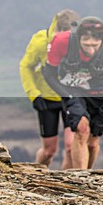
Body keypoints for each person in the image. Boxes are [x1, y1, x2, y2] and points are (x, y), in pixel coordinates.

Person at [42, 16, 103, 170]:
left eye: (95, 45)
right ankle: (81, 178)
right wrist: (68, 97)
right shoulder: (61, 41)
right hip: (73, 89)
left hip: (100, 92)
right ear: (78, 37)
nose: (91, 49)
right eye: (86, 44)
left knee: (93, 143)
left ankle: (86, 173)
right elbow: (49, 74)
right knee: (81, 129)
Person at [19, 9, 80, 168]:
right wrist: (34, 95)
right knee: (49, 151)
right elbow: (26, 66)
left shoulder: (80, 40)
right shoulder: (40, 41)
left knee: (71, 146)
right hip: (46, 99)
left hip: (70, 97)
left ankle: (66, 186)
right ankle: (34, 179)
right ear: (58, 30)